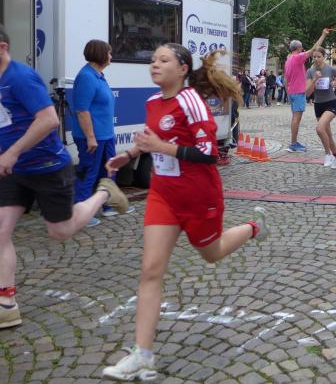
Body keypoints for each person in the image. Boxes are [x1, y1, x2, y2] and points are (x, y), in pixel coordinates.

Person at [102, 45, 269, 380]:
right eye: (153, 60)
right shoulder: (153, 102)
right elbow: (152, 138)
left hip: (198, 195)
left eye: (163, 60)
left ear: (182, 69)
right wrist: (130, 154)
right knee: (150, 270)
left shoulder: (191, 101)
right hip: (163, 195)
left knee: (211, 252)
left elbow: (208, 153)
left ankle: (253, 227)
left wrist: (160, 147)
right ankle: (142, 355)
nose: (154, 64)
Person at [0, 29, 129, 330]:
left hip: (46, 166)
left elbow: (49, 120)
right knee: (1, 231)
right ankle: (7, 303)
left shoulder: (20, 77)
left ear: (2, 47)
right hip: (13, 170)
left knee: (61, 230)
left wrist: (13, 152)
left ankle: (105, 193)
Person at [71, 39, 132, 227]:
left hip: (105, 135)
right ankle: (81, 213)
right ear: (100, 54)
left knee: (109, 170)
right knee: (89, 173)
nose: (111, 56)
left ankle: (109, 205)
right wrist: (90, 137)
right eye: (109, 52)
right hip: (92, 138)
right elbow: (82, 110)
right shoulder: (86, 77)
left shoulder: (98, 75)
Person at [284, 29, 330, 152]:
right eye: (301, 48)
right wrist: (323, 35)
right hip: (298, 92)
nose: (303, 49)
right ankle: (293, 144)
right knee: (296, 119)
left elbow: (285, 79)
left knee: (295, 117)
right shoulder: (297, 57)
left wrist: (288, 92)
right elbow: (314, 49)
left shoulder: (288, 60)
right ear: (298, 48)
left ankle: (294, 142)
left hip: (292, 92)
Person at [306, 48, 336, 168]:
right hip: (318, 105)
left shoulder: (330, 69)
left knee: (319, 129)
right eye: (314, 57)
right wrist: (314, 79)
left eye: (319, 56)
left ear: (323, 56)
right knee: (327, 134)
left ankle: (327, 155)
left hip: (331, 103)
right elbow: (307, 93)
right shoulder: (310, 71)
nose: (316, 59)